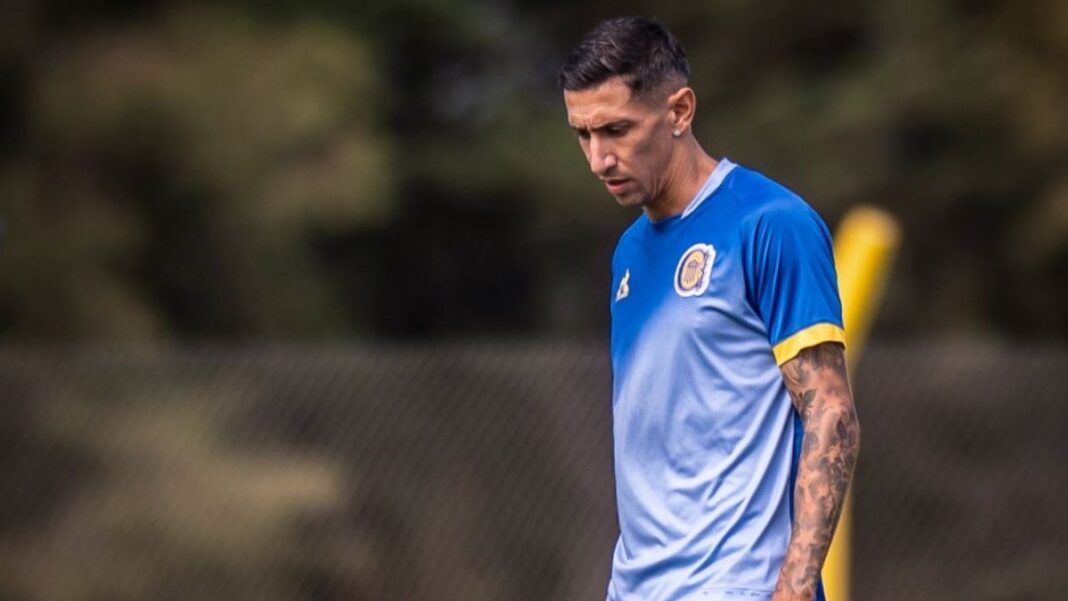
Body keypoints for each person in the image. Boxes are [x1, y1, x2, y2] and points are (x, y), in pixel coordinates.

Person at [559, 17, 861, 601]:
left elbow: (830, 412)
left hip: (737, 584)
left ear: (679, 111)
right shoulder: (628, 253)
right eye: (583, 135)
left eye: (617, 130)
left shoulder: (770, 223)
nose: (599, 159)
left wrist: (795, 587)